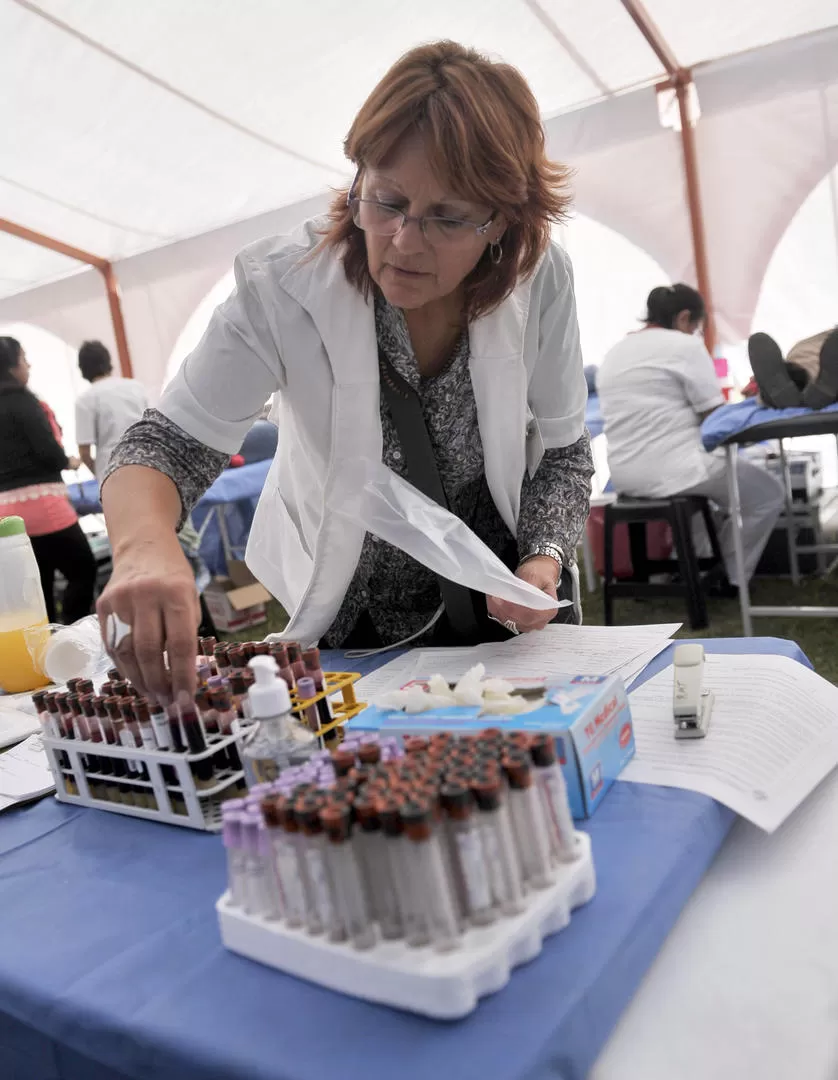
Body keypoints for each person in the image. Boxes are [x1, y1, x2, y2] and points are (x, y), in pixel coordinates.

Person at [97, 41, 593, 704]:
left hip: (504, 617)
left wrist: (543, 558)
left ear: (501, 221)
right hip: (353, 627)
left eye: (447, 218)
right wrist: (142, 548)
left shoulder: (541, 279)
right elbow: (164, 444)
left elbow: (562, 452)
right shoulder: (283, 286)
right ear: (358, 177)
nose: (406, 242)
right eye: (386, 201)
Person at [597, 284, 784, 588]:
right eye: (696, 327)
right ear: (685, 318)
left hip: (624, 475)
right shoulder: (684, 347)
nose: (696, 334)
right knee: (767, 495)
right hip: (678, 470)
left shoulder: (616, 351)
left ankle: (695, 569)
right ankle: (730, 577)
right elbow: (714, 420)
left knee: (705, 500)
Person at [0, 337, 97, 623]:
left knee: (37, 588)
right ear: (11, 365)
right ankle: (71, 633)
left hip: (7, 512)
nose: (28, 364)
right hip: (44, 506)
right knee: (83, 570)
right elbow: (50, 454)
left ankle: (45, 649)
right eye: (24, 358)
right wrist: (70, 461)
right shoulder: (24, 401)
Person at [74, 340, 148, 478]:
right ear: (108, 361)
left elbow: (84, 452)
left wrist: (100, 474)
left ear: (82, 369)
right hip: (147, 463)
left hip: (112, 472)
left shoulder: (85, 400)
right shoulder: (137, 388)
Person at [748, 328, 838, 409]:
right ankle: (821, 390)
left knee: (800, 367)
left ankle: (790, 384)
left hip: (802, 354)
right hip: (822, 358)